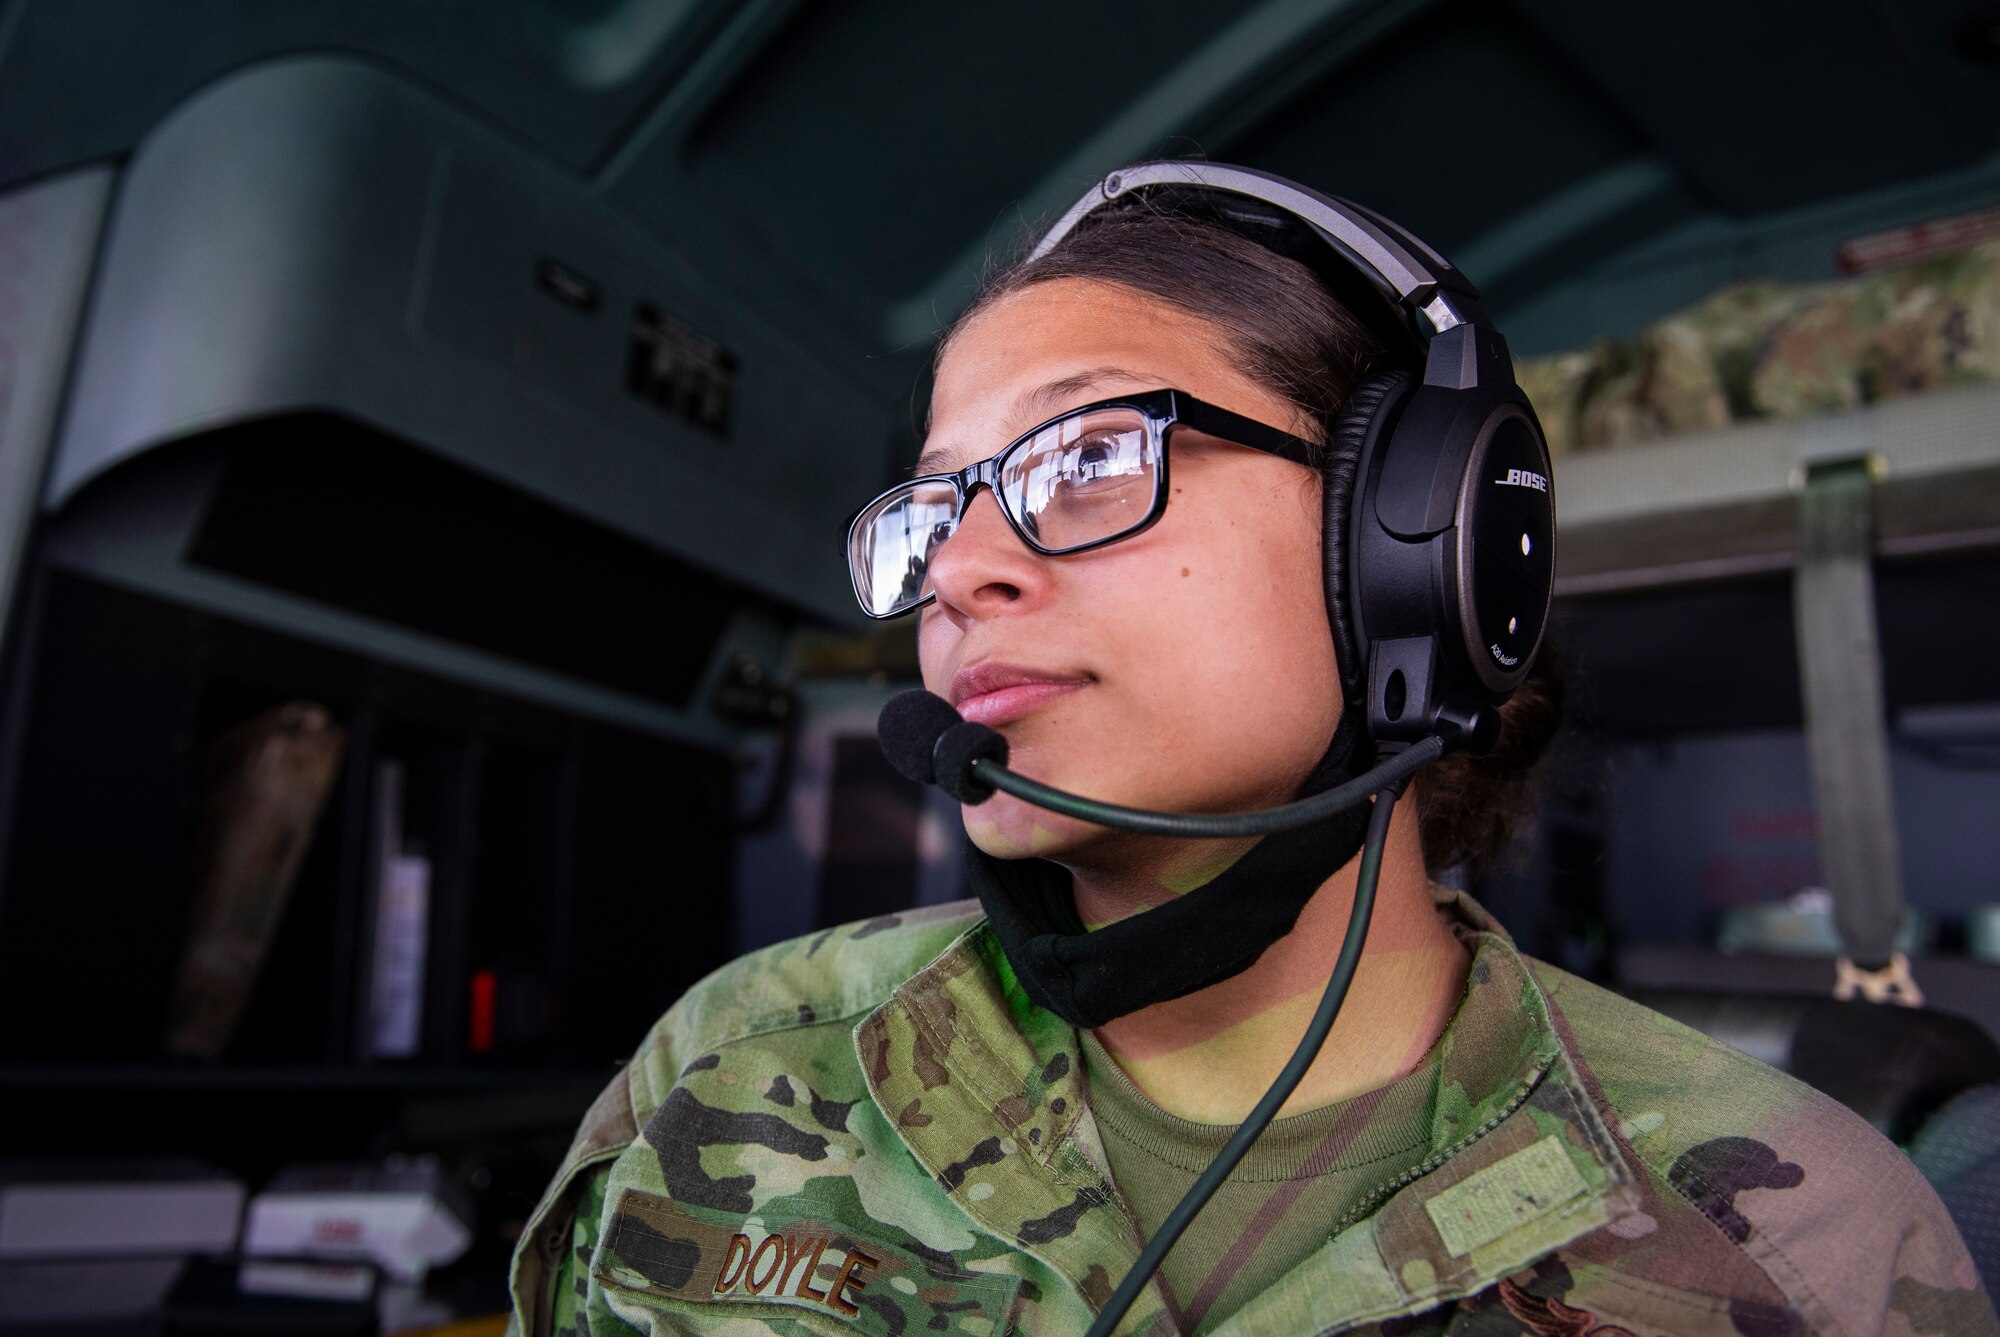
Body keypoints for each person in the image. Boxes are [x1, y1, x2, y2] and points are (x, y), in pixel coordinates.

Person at [507, 172, 1995, 1336]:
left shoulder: (1803, 1242)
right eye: (931, 510)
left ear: (1410, 544)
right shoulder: (730, 1060)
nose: (958, 571)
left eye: (1085, 458)